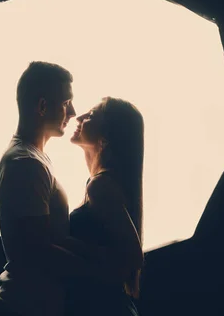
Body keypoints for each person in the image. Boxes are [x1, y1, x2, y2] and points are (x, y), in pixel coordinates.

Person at [0, 62, 127, 316]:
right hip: (23, 306)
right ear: (42, 107)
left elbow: (52, 239)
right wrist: (101, 274)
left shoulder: (33, 158)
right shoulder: (26, 163)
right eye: (66, 103)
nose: (73, 112)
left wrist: (97, 255)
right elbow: (38, 251)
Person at [65, 96, 145, 316]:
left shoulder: (100, 186)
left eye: (90, 115)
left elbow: (133, 256)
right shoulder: (106, 183)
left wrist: (67, 244)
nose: (79, 117)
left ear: (106, 139)